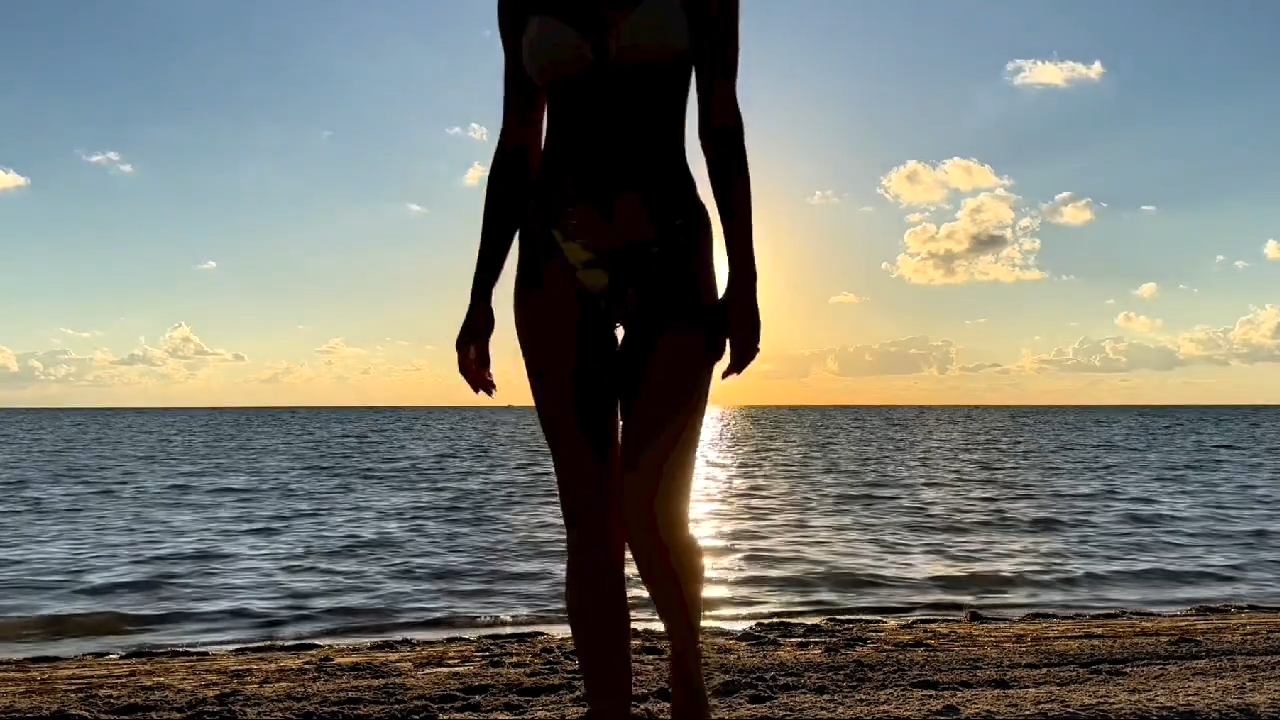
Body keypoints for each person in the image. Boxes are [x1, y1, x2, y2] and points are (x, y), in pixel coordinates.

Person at [455, 0, 758, 717]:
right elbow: (518, 142)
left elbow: (720, 122)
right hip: (553, 256)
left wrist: (745, 279)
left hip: (671, 249)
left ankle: (687, 673)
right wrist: (480, 293)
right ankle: (607, 711)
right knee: (590, 524)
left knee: (653, 510)